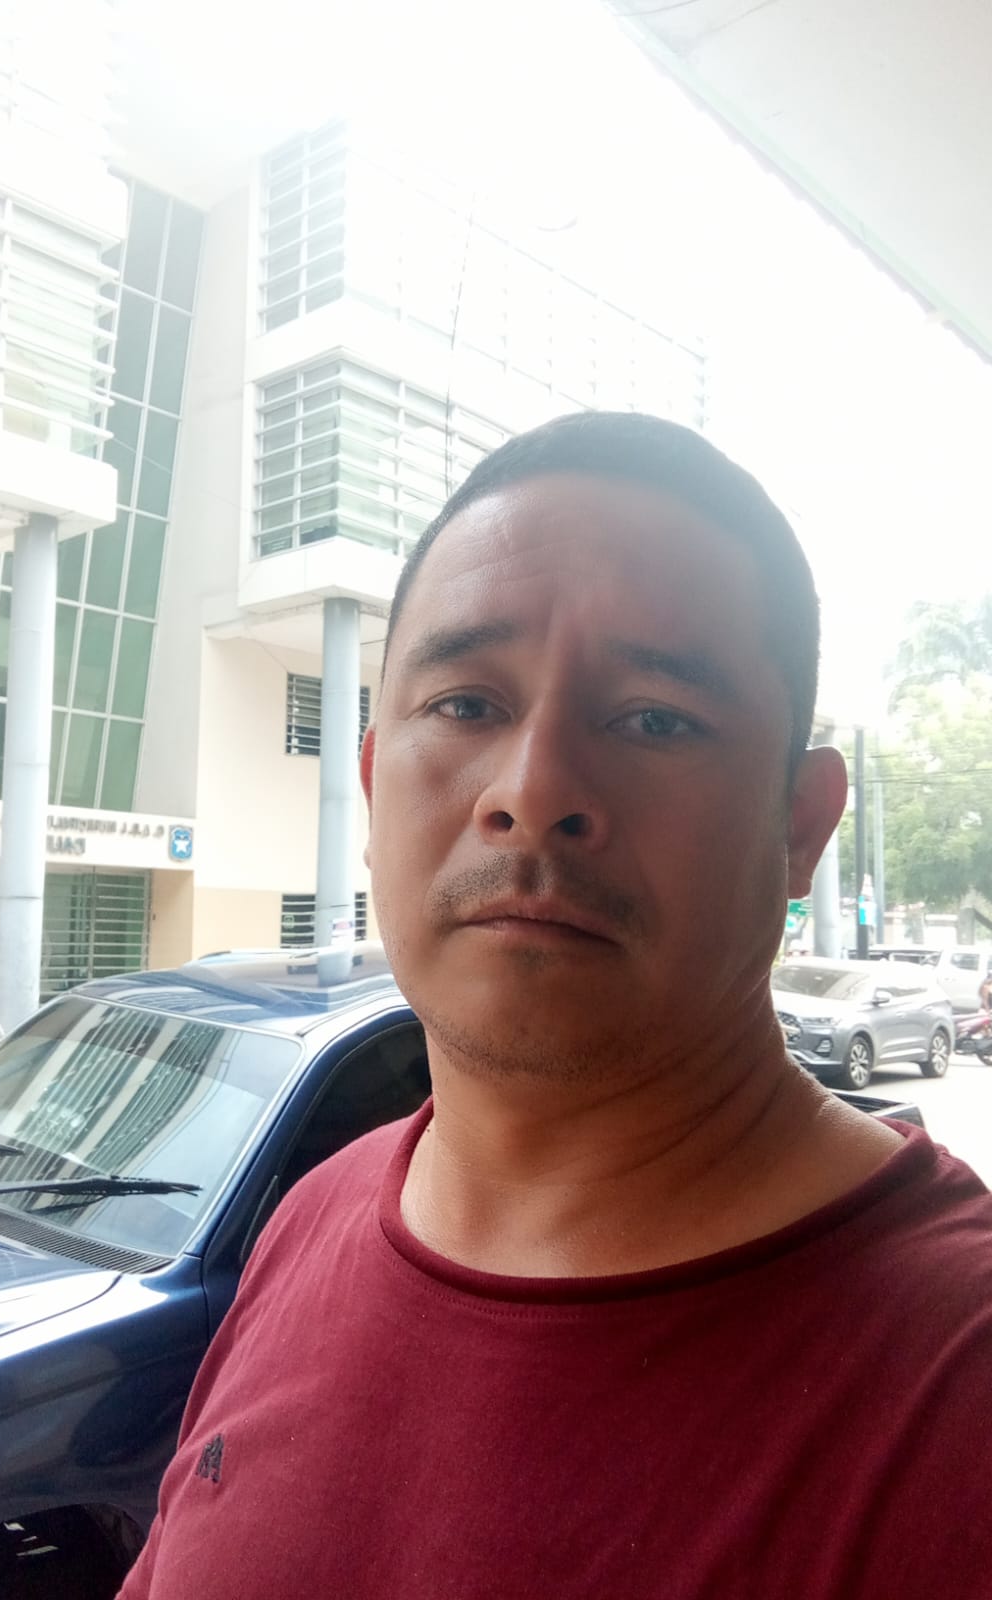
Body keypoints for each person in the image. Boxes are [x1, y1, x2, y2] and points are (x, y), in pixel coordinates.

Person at [117, 413, 992, 1599]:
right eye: (466, 704)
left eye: (655, 718)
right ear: (372, 782)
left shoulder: (955, 1383)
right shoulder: (309, 1223)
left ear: (802, 824)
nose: (532, 792)